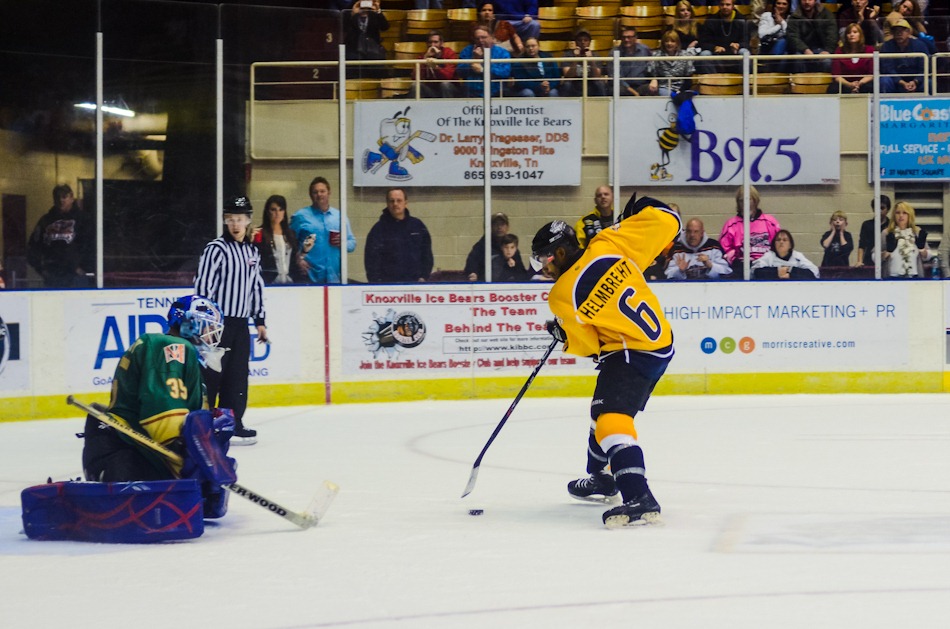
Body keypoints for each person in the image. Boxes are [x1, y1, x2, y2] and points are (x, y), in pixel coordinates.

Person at [531, 194, 682, 528]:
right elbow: (670, 220)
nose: (544, 267)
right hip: (661, 343)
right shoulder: (608, 241)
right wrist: (645, 208)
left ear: (559, 253)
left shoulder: (561, 294)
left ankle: (637, 495)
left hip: (631, 351)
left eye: (544, 259)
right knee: (599, 412)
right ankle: (601, 477)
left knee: (612, 420)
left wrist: (564, 335)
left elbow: (590, 347)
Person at [81, 295, 222, 482]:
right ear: (190, 323)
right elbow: (163, 409)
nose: (212, 336)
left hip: (138, 452)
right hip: (124, 454)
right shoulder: (170, 346)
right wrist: (183, 449)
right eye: (208, 327)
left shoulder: (181, 355)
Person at [194, 196, 268, 444]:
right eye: (230, 219)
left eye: (240, 219)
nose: (235, 224)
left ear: (248, 221)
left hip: (240, 325)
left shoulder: (251, 251)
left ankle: (232, 422)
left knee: (237, 375)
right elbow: (204, 286)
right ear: (225, 221)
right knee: (212, 375)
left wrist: (260, 320)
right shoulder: (216, 248)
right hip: (217, 324)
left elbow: (256, 287)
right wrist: (205, 320)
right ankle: (204, 424)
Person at [290, 176, 357, 284]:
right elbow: (289, 243)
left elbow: (352, 243)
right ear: (310, 195)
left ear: (329, 193)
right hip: (308, 276)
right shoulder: (301, 216)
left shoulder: (340, 216)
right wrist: (298, 259)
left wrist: (343, 242)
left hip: (335, 277)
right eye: (315, 192)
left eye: (322, 191)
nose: (319, 194)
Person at [27, 184, 94, 288]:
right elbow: (33, 247)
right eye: (57, 197)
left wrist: (82, 268)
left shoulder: (83, 220)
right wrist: (41, 270)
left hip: (75, 277)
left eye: (64, 197)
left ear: (71, 197)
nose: (61, 200)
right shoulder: (45, 220)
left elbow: (91, 246)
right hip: (52, 276)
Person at [364, 187, 434, 283]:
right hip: (388, 287)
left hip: (415, 284)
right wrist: (376, 283)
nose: (395, 204)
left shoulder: (417, 226)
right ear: (387, 203)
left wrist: (423, 277)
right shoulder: (378, 229)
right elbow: (371, 260)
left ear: (406, 202)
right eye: (392, 201)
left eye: (399, 200)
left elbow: (427, 255)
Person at [718, 185, 781, 275]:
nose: (745, 203)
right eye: (741, 200)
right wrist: (735, 259)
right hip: (741, 268)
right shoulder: (731, 225)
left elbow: (780, 246)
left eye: (748, 200)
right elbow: (723, 250)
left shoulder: (770, 222)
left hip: (767, 267)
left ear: (755, 201)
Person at [254, 195, 305, 285]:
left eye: (281, 209)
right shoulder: (260, 234)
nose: (277, 213)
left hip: (290, 282)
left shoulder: (290, 234)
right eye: (273, 210)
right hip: (269, 282)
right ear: (267, 212)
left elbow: (294, 260)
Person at [665, 218, 733, 280]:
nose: (692, 235)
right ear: (685, 232)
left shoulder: (714, 246)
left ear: (702, 233)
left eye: (696, 231)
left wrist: (710, 265)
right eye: (689, 231)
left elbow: (727, 271)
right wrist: (680, 271)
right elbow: (666, 275)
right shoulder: (676, 249)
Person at [464, 212, 524, 281]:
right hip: (486, 287)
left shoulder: (512, 247)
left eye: (502, 224)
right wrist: (473, 273)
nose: (499, 227)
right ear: (490, 227)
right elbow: (471, 264)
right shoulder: (481, 246)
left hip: (508, 288)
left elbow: (521, 273)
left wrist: (514, 267)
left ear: (507, 227)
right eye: (496, 224)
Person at [457, 25, 512, 97]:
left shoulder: (502, 52)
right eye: (477, 38)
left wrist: (483, 69)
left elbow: (505, 72)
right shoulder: (467, 51)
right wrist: (474, 60)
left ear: (491, 37)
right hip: (471, 93)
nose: (480, 40)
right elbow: (460, 72)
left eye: (483, 37)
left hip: (496, 92)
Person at [698, 0, 751, 73]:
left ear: (733, 6)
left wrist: (738, 45)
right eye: (722, 4)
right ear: (719, 6)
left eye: (727, 4)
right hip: (717, 56)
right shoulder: (711, 20)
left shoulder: (742, 20)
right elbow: (704, 42)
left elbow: (746, 41)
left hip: (735, 55)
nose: (724, 7)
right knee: (705, 54)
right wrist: (714, 47)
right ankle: (712, 82)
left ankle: (745, 82)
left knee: (744, 52)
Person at [879, 19, 930, 93]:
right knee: (884, 81)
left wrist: (916, 81)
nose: (899, 33)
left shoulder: (920, 45)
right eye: (896, 31)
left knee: (929, 83)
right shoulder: (886, 46)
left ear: (909, 32)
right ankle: (884, 104)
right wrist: (901, 82)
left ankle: (930, 104)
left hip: (916, 80)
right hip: (895, 81)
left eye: (902, 30)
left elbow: (925, 68)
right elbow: (887, 68)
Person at [786, 0, 837, 73]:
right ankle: (800, 83)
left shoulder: (826, 14)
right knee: (798, 59)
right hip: (802, 50)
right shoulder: (795, 16)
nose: (807, 2)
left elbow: (832, 34)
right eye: (804, 0)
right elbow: (792, 36)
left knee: (827, 61)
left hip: (822, 49)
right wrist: (805, 49)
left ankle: (823, 84)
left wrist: (828, 50)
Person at [343, 0, 390, 78]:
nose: (364, 8)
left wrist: (378, 12)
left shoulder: (374, 15)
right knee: (352, 61)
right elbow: (344, 27)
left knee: (376, 62)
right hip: (354, 48)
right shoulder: (349, 14)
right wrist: (353, 13)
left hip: (372, 49)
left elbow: (385, 27)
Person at [883, 201, 929, 278]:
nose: (901, 216)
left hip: (914, 276)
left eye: (904, 213)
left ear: (909, 215)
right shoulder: (887, 233)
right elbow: (875, 256)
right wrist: (887, 252)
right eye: (898, 213)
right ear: (894, 215)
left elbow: (928, 256)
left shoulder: (917, 232)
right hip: (892, 277)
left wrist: (921, 249)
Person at [752, 229, 820, 279]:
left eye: (785, 240)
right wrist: (777, 272)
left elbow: (814, 273)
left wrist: (790, 272)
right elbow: (755, 272)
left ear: (790, 244)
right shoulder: (769, 256)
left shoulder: (798, 256)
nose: (781, 242)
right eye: (778, 240)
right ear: (774, 244)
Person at [645, 31, 696, 96]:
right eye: (667, 41)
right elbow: (652, 74)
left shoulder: (685, 55)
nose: (669, 43)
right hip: (663, 87)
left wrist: (680, 91)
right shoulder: (656, 55)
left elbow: (688, 78)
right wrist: (654, 79)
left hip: (682, 88)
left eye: (672, 41)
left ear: (677, 43)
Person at [560, 30, 607, 97]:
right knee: (567, 84)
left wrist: (591, 60)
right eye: (580, 40)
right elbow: (568, 77)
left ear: (589, 42)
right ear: (575, 42)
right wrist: (576, 58)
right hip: (574, 83)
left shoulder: (595, 55)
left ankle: (603, 105)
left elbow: (597, 76)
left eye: (586, 40)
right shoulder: (568, 55)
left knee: (600, 84)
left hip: (590, 84)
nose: (582, 42)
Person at [831, 23, 875, 94]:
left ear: (860, 35)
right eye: (849, 33)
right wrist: (850, 85)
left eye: (855, 32)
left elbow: (872, 74)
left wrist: (859, 83)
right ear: (846, 36)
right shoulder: (839, 51)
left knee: (870, 87)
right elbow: (836, 75)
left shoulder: (869, 50)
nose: (851, 35)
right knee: (833, 88)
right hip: (845, 84)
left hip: (864, 83)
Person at [418, 31, 460, 98]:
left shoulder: (449, 53)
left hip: (449, 89)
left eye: (435, 42)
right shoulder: (423, 55)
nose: (432, 45)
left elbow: (448, 77)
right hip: (431, 90)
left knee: (445, 84)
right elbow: (415, 77)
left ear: (441, 43)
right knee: (416, 85)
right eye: (430, 42)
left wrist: (437, 65)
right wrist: (424, 60)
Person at [615, 27, 653, 97]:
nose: (626, 40)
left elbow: (652, 66)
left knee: (652, 88)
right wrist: (634, 92)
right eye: (624, 37)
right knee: (619, 89)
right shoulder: (615, 52)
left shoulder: (644, 50)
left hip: (641, 85)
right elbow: (614, 76)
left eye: (629, 37)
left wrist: (654, 79)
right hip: (624, 86)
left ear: (635, 38)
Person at [856, 194, 891, 267]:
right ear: (873, 209)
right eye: (876, 208)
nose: (879, 211)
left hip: (887, 260)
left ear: (887, 209)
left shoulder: (892, 225)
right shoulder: (866, 225)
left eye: (882, 208)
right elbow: (861, 245)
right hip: (869, 261)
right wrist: (859, 261)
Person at [757, 0, 790, 71]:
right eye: (778, 3)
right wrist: (778, 25)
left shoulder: (791, 18)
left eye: (784, 4)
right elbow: (762, 34)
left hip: (785, 50)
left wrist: (782, 22)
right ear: (774, 5)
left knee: (785, 48)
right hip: (768, 48)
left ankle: (777, 77)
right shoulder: (766, 16)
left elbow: (790, 35)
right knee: (782, 42)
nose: (781, 6)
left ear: (788, 6)